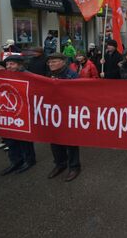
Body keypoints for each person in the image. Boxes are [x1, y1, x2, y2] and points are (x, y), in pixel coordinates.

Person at [45, 52, 81, 182]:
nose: (51, 64)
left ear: (63, 62)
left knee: (70, 142)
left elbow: (78, 94)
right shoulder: (49, 74)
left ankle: (74, 167)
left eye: (54, 61)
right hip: (53, 113)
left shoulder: (72, 75)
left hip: (68, 113)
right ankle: (60, 164)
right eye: (49, 62)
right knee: (54, 140)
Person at [0, 55, 37, 175]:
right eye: (7, 65)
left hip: (24, 112)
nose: (9, 67)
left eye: (12, 64)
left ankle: (29, 160)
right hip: (10, 113)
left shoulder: (28, 75)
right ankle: (16, 161)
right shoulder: (5, 75)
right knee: (11, 139)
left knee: (24, 138)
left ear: (19, 65)